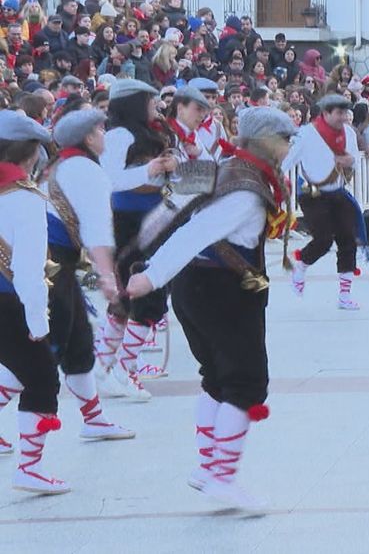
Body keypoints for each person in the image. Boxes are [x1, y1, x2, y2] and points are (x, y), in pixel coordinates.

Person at [123, 107, 296, 514]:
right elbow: (196, 230)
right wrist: (151, 274)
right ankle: (222, 476)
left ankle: (207, 468)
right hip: (221, 290)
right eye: (285, 139)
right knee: (245, 382)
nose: (289, 147)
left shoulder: (227, 165)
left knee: (217, 378)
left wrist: (145, 256)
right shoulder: (246, 187)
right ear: (267, 140)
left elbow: (172, 209)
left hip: (197, 287)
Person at [43, 108, 136, 442]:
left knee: (79, 343)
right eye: (99, 129)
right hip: (49, 267)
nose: (104, 134)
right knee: (39, 352)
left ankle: (93, 418)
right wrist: (107, 278)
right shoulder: (86, 171)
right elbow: (97, 232)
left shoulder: (62, 165)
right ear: (87, 137)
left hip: (53, 265)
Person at [0, 111, 71, 494]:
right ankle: (29, 468)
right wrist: (38, 324)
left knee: (15, 368)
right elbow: (28, 272)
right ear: (30, 154)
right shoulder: (24, 199)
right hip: (9, 301)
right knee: (42, 377)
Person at [98, 78, 178, 401]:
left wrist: (171, 165)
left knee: (135, 294)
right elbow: (109, 179)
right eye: (149, 100)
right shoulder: (119, 135)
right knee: (145, 293)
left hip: (155, 215)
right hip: (130, 221)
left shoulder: (152, 131)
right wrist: (151, 170)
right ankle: (123, 368)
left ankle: (104, 366)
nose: (155, 106)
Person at [285, 94, 364, 309]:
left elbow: (355, 161)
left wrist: (350, 161)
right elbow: (288, 160)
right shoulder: (307, 133)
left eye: (345, 113)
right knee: (323, 240)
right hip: (312, 195)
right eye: (339, 113)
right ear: (326, 113)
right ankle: (301, 265)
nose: (343, 117)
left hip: (337, 192)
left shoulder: (348, 132)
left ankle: (345, 295)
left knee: (348, 240)